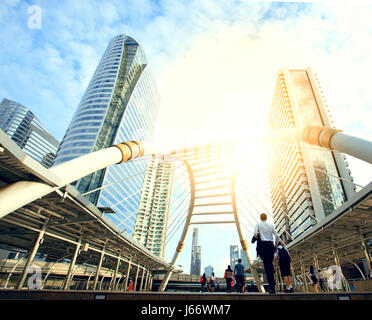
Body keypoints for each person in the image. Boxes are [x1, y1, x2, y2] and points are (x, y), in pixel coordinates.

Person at [253, 213, 279, 294]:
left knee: (267, 266)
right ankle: (273, 281)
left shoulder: (258, 224)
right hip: (271, 246)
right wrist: (275, 246)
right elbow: (277, 236)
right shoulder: (271, 225)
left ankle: (272, 287)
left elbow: (254, 234)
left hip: (263, 246)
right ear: (266, 218)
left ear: (260, 218)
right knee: (270, 265)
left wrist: (258, 237)